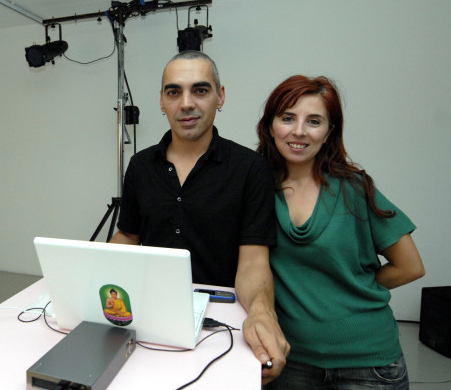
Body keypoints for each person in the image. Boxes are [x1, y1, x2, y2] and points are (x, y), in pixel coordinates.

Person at [109, 50, 290, 384]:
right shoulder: (140, 166)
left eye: (200, 90)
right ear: (161, 102)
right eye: (174, 91)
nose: (186, 103)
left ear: (220, 97)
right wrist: (94, 271)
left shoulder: (250, 169)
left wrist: (262, 311)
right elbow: (129, 235)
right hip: (149, 314)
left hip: (220, 320)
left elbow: (253, 262)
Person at [256, 75, 425, 389]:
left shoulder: (354, 189)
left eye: (314, 121)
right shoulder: (256, 189)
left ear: (329, 131)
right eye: (287, 118)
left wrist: (354, 287)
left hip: (367, 363)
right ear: (270, 125)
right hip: (290, 360)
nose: (299, 131)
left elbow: (411, 266)